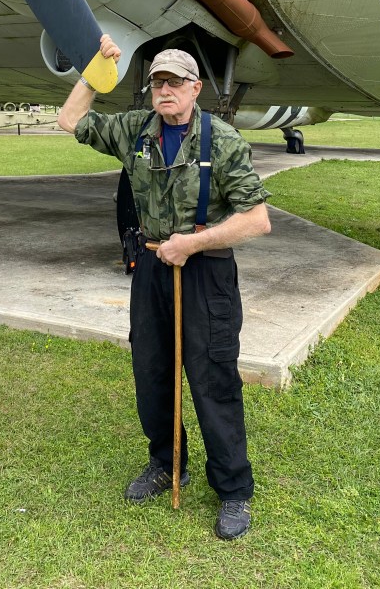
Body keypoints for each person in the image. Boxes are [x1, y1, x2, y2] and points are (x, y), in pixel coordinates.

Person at [58, 35, 271, 540]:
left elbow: (257, 219)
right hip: (154, 267)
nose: (165, 91)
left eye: (176, 82)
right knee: (152, 372)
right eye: (158, 83)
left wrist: (192, 244)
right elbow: (70, 119)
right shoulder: (136, 129)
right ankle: (166, 463)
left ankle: (233, 489)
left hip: (206, 271)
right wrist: (95, 70)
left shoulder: (222, 141)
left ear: (196, 88)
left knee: (212, 378)